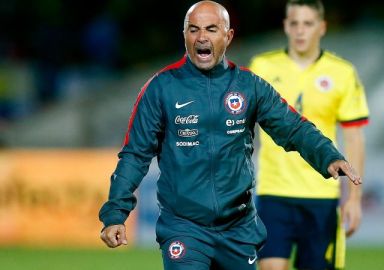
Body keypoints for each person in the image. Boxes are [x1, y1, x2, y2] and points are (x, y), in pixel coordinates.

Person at [99, 1, 361, 270]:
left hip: (239, 229)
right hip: (184, 228)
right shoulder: (160, 88)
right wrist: (115, 214)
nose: (202, 37)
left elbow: (293, 127)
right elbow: (135, 155)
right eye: (194, 29)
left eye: (212, 29)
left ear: (228, 36)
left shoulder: (250, 86)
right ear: (185, 36)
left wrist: (328, 155)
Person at [249, 0, 369, 269]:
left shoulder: (342, 72)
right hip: (273, 192)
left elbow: (354, 137)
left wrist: (354, 199)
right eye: (294, 23)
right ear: (285, 27)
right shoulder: (263, 67)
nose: (300, 31)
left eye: (308, 23)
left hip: (322, 195)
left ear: (322, 27)